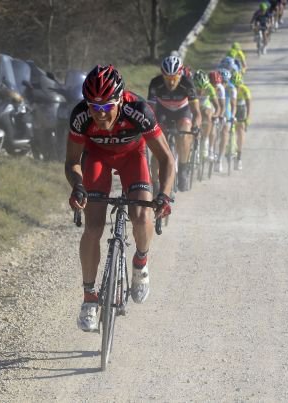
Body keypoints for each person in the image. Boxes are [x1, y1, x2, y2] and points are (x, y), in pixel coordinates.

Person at [65, 65, 175, 331]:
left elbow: (166, 159)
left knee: (140, 215)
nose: (100, 115)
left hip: (132, 157)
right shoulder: (81, 116)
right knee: (92, 227)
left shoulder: (138, 111)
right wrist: (78, 186)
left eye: (106, 108)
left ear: (119, 100)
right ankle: (89, 299)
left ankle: (141, 261)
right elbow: (72, 162)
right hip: (98, 158)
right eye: (94, 108)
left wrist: (164, 195)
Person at [147, 55, 202, 192]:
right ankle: (155, 184)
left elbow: (196, 112)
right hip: (163, 112)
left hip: (182, 111)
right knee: (157, 148)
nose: (171, 83)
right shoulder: (155, 83)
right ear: (162, 75)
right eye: (167, 79)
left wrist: (196, 126)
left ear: (180, 74)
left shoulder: (187, 83)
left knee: (184, 133)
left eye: (174, 79)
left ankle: (183, 168)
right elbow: (150, 111)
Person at [192, 70, 220, 164]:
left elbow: (217, 107)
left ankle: (205, 140)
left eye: (203, 88)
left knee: (208, 114)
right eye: (198, 89)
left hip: (205, 105)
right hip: (192, 105)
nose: (201, 91)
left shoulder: (210, 88)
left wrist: (215, 115)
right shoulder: (190, 88)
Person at [216, 68, 237, 172]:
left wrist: (232, 116)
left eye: (225, 81)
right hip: (215, 111)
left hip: (226, 112)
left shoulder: (231, 88)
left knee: (225, 132)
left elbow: (233, 105)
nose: (223, 83)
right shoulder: (215, 86)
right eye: (222, 81)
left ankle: (219, 160)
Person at [231, 70, 251, 171]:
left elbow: (248, 105)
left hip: (241, 109)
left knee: (240, 129)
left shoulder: (244, 90)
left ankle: (239, 155)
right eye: (234, 86)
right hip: (231, 108)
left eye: (238, 86)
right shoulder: (229, 89)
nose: (236, 88)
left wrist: (247, 118)